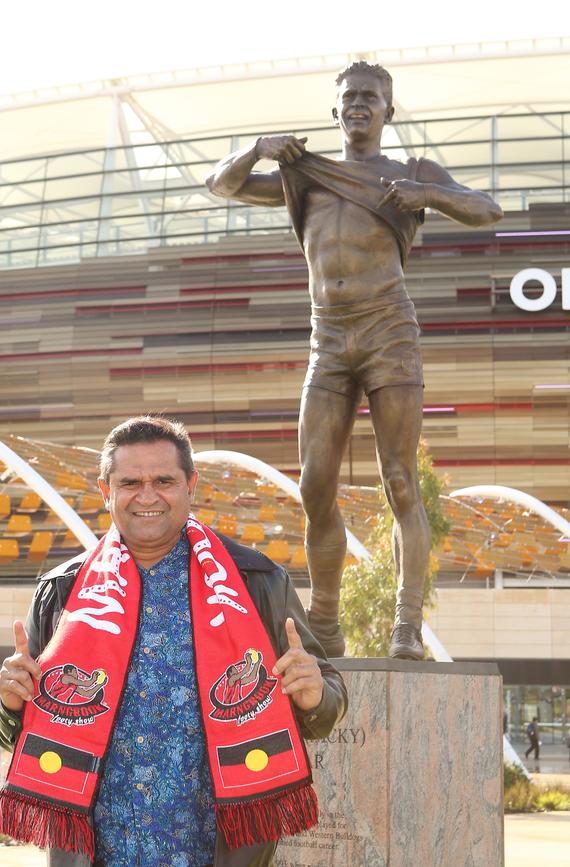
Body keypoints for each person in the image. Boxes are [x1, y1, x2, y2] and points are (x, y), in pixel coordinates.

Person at [206, 61, 503, 660]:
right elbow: (222, 185)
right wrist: (257, 149)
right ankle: (325, 616)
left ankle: (406, 624)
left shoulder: (411, 174)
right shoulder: (306, 176)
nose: (360, 105)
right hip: (328, 338)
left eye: (371, 97)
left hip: (389, 330)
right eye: (350, 97)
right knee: (314, 484)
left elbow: (487, 209)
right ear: (335, 110)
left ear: (389, 111)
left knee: (399, 481)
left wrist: (429, 196)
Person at [0, 415, 347, 867]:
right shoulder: (63, 592)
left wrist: (315, 695)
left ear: (191, 485)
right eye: (130, 481)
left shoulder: (255, 583)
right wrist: (10, 703)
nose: (147, 495)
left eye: (164, 480)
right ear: (106, 491)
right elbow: (13, 734)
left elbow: (326, 703)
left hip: (217, 853)